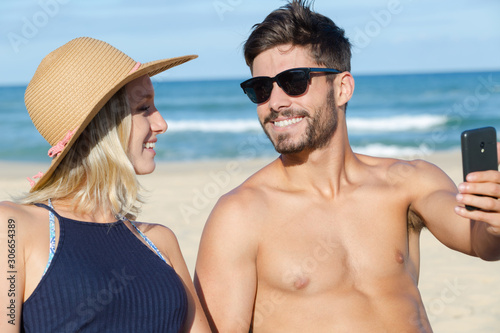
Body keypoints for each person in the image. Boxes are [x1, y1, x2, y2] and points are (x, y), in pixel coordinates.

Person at [194, 1, 500, 332]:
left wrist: (494, 218)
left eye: (294, 81)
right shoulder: (240, 215)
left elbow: (483, 243)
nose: (276, 102)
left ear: (342, 88)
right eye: (261, 88)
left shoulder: (409, 182)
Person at [0, 37, 210, 332]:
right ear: (103, 123)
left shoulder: (160, 241)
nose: (161, 123)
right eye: (143, 107)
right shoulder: (11, 227)